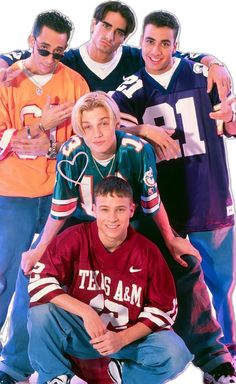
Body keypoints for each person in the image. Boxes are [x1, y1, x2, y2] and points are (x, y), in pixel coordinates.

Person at [23, 91, 235, 383]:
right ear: (79, 129)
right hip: (84, 221)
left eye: (103, 123)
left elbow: (151, 202)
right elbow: (61, 209)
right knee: (37, 270)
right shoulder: (71, 152)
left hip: (131, 218)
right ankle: (24, 364)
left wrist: (171, 239)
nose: (96, 133)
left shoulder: (135, 149)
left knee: (185, 263)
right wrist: (40, 248)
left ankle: (213, 358)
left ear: (114, 122)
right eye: (88, 127)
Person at [111, 10, 236, 384]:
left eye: (165, 42)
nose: (156, 50)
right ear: (140, 43)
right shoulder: (132, 87)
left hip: (210, 198)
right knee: (175, 290)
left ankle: (226, 361)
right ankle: (178, 358)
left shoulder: (203, 74)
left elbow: (230, 123)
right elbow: (109, 117)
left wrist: (230, 112)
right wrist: (145, 129)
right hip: (166, 207)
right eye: (149, 41)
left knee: (221, 287)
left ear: (176, 45)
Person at [27, 175, 192, 384]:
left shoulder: (148, 252)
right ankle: (54, 377)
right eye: (105, 209)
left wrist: (122, 339)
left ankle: (127, 376)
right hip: (83, 334)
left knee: (175, 351)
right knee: (42, 312)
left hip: (129, 340)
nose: (112, 218)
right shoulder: (75, 237)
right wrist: (85, 312)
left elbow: (165, 310)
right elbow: (39, 281)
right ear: (93, 210)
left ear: (131, 210)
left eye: (120, 209)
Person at [0, 9, 89, 384]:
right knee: (3, 276)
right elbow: (10, 140)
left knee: (35, 280)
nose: (50, 58)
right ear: (30, 41)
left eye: (59, 51)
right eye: (43, 48)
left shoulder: (75, 83)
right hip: (13, 193)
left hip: (57, 197)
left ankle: (14, 365)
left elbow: (82, 144)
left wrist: (41, 142)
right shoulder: (7, 80)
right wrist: (42, 128)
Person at [0, 1, 232, 100]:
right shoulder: (65, 60)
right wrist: (2, 63)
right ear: (94, 24)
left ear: (127, 37)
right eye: (106, 26)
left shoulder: (137, 58)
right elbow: (29, 54)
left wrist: (214, 64)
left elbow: (178, 55)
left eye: (119, 32)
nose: (110, 36)